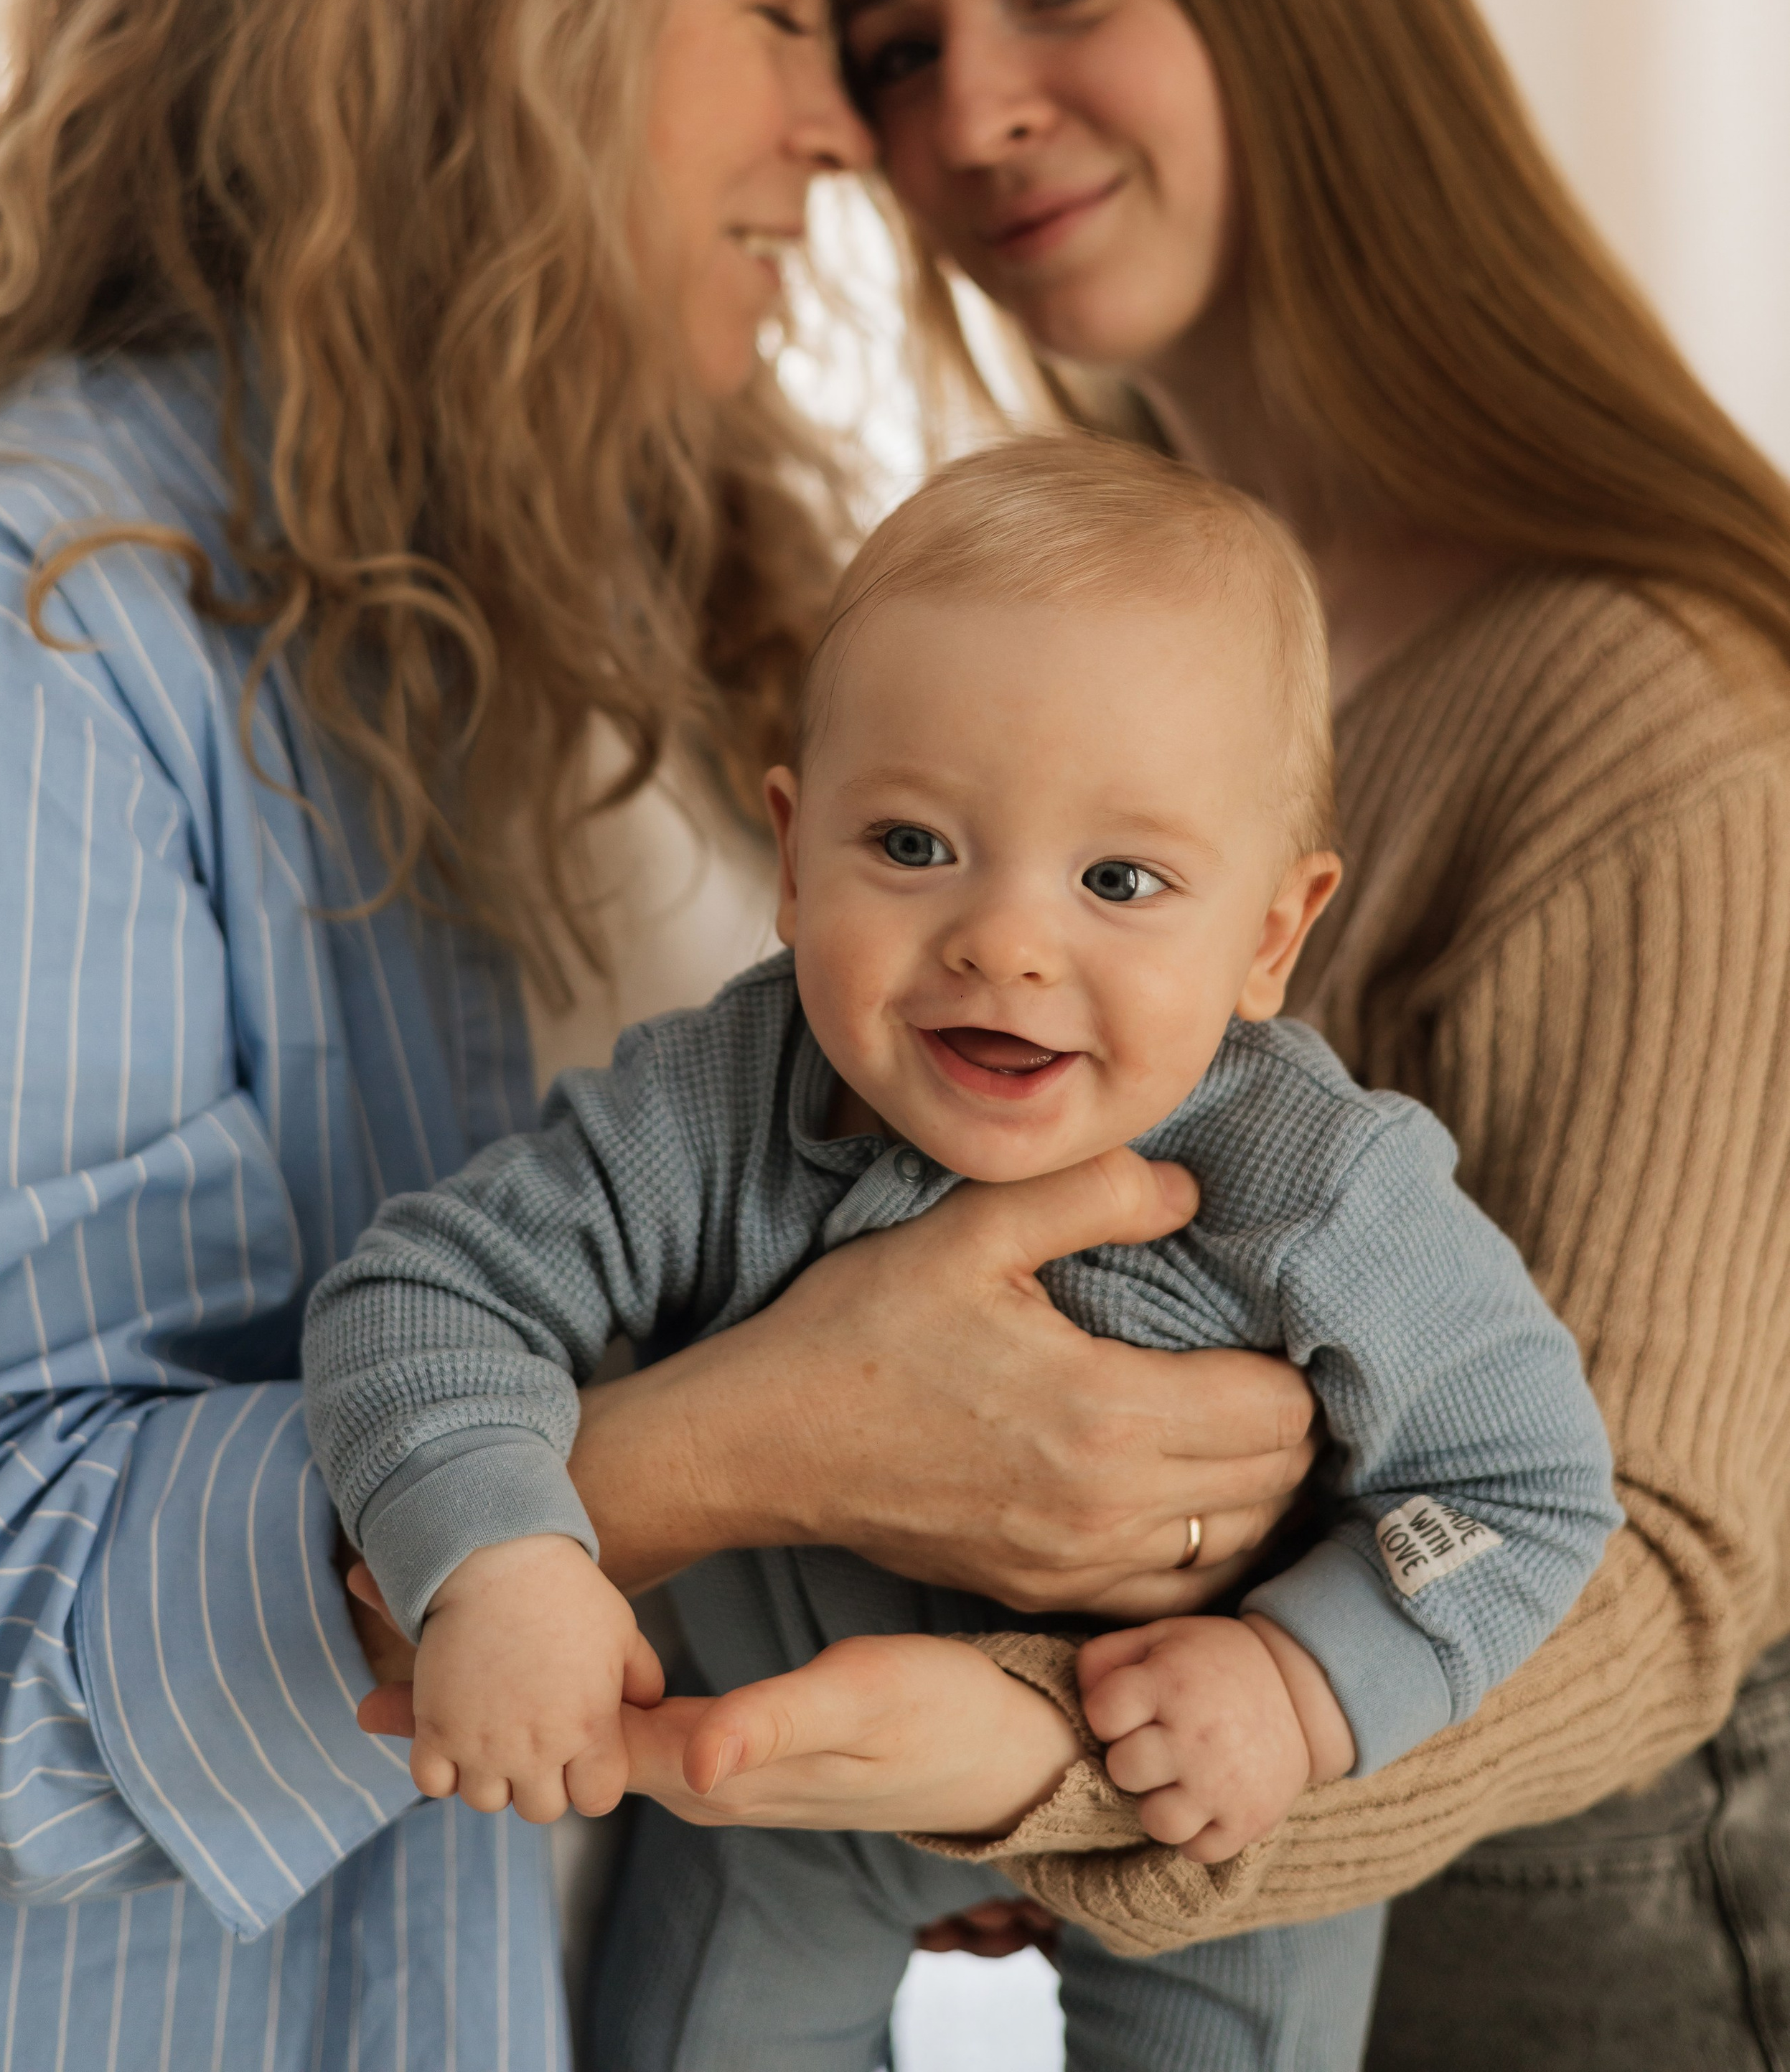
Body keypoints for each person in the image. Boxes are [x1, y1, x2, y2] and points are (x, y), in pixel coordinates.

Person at [0, 0, 1323, 2064]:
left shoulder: (673, 580)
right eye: (792, 19)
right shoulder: (32, 639)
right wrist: (747, 1452)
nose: (851, 131)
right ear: (503, 24)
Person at [784, 0, 1790, 2063]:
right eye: (899, 44)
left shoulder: (1649, 702)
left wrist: (1078, 1765)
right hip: (1262, 1908)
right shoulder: (1086, 687)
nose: (976, 111)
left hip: (1593, 1930)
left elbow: (1655, 1567)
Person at [302, 435, 1618, 2072]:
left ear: (1270, 933)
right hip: (760, 1791)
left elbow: (1524, 1489)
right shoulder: (720, 1097)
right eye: (912, 847)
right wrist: (499, 1559)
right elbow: (425, 1295)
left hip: (1191, 1795)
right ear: (793, 856)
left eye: (1120, 880)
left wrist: (1298, 1680)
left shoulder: (1319, 1184)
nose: (1004, 941)